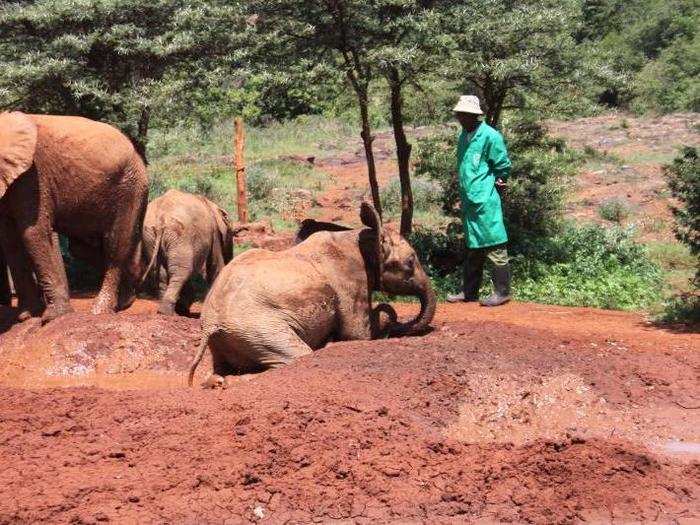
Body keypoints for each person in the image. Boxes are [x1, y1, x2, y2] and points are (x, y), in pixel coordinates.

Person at [447, 95, 512, 307]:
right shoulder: (464, 137)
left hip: (485, 200)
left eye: (464, 115)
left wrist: (498, 184)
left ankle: (502, 292)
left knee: (495, 245)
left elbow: (502, 166)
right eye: (459, 115)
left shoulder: (490, 136)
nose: (460, 118)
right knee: (473, 248)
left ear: (475, 116)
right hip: (470, 202)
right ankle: (469, 292)